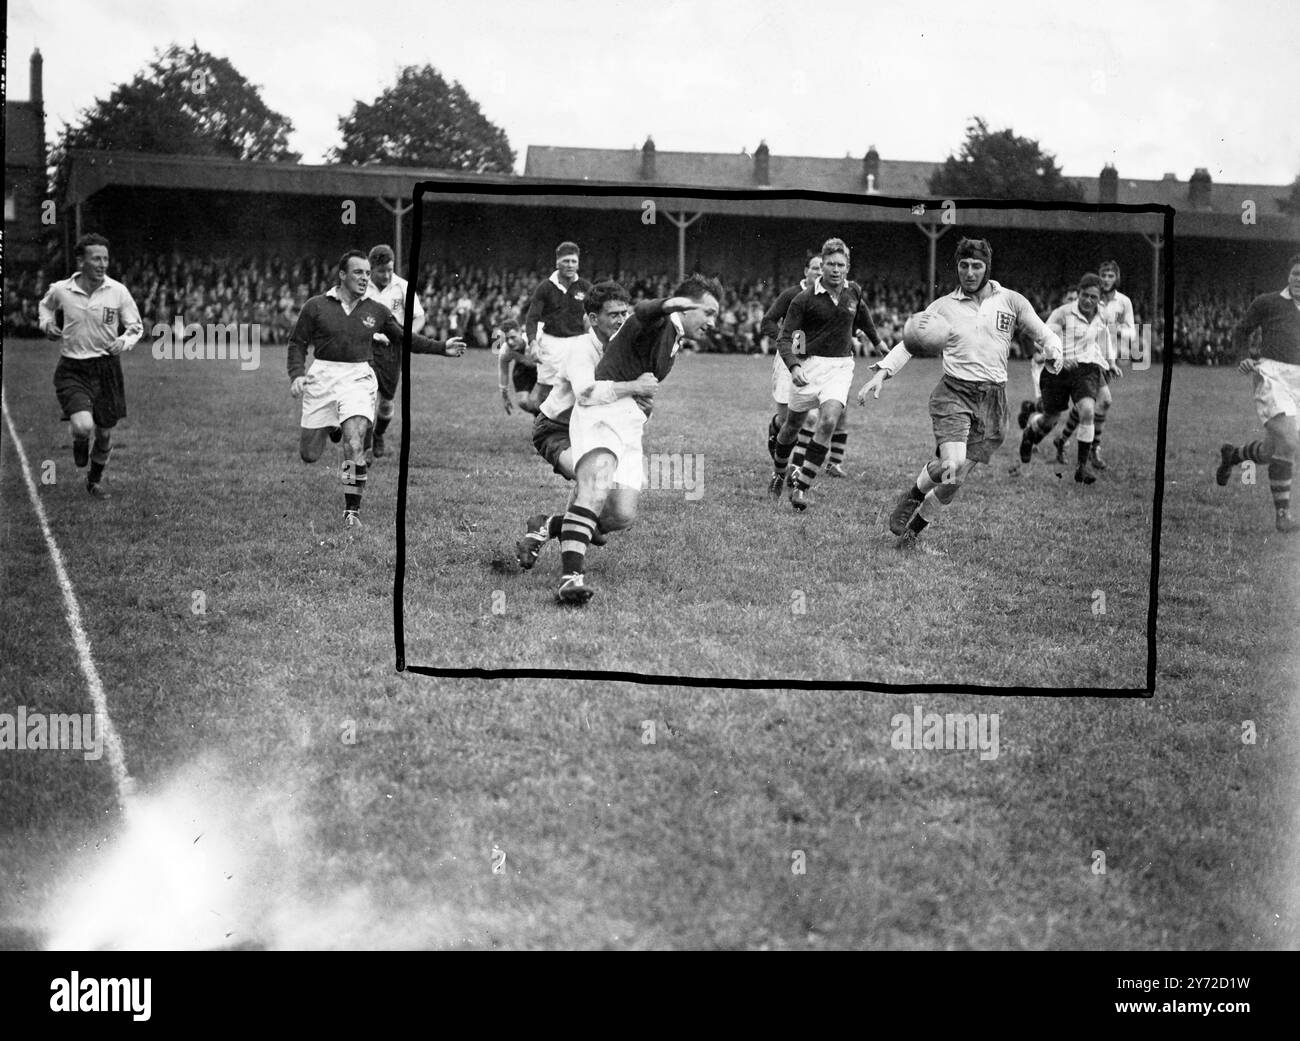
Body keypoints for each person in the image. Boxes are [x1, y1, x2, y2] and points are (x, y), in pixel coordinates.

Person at [858, 237, 1063, 547]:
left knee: (956, 480)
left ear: (987, 268)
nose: (969, 272)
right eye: (964, 266)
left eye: (976, 266)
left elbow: (1045, 333)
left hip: (993, 399)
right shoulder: (943, 307)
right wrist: (883, 373)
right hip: (954, 393)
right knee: (952, 465)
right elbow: (911, 341)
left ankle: (911, 536)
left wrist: (1054, 351)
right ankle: (913, 495)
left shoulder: (1012, 301)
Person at [553, 275, 722, 604]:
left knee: (622, 515)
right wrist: (667, 304)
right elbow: (641, 312)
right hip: (601, 415)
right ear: (684, 306)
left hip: (629, 425)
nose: (713, 323)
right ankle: (570, 579)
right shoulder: (659, 322)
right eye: (709, 312)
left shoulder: (675, 336)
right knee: (596, 488)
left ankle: (547, 526)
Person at [288, 250, 465, 528]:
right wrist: (297, 375)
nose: (365, 278)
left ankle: (352, 512)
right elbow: (297, 343)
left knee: (355, 443)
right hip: (322, 376)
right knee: (309, 455)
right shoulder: (316, 306)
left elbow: (405, 339)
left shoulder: (376, 310)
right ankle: (332, 424)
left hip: (358, 377)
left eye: (367, 273)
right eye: (358, 272)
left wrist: (442, 348)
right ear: (342, 275)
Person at [516, 281, 633, 569]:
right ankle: (571, 573)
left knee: (616, 517)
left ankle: (547, 525)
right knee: (595, 481)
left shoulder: (624, 349)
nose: (621, 320)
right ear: (593, 319)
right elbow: (587, 394)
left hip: (593, 433)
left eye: (624, 313)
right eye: (613, 314)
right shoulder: (580, 349)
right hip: (557, 430)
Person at [772, 238, 882, 510]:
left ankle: (801, 487)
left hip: (841, 367)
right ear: (822, 266)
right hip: (809, 368)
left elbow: (863, 316)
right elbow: (786, 339)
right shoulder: (803, 299)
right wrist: (795, 366)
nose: (835, 269)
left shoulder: (853, 292)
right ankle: (779, 472)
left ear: (848, 266)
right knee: (792, 427)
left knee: (828, 421)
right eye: (830, 264)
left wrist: (877, 342)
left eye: (840, 264)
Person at [38, 233, 144, 499]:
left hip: (107, 368)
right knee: (84, 426)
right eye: (96, 258)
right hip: (73, 368)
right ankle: (80, 439)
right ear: (81, 261)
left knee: (105, 434)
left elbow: (136, 327)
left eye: (105, 258)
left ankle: (94, 481)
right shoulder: (62, 289)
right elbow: (45, 306)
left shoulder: (117, 291)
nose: (102, 264)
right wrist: (46, 324)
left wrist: (123, 341)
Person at [1214, 253, 1300, 533]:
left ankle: (1233, 455)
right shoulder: (1268, 302)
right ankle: (1283, 516)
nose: (1299, 280)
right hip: (1272, 376)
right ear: (1289, 275)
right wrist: (1244, 358)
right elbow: (1241, 331)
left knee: (1270, 449)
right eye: (1296, 274)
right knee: (1288, 439)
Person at [1017, 273, 1120, 483]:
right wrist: (1061, 357)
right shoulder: (1062, 314)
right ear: (1078, 294)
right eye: (1084, 295)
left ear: (1099, 298)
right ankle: (1029, 436)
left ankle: (1081, 468)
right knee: (1051, 418)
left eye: (1093, 297)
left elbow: (1106, 337)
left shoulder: (1102, 316)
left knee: (1088, 410)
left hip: (1085, 370)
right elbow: (1042, 338)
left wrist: (1112, 362)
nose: (1088, 301)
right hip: (1057, 369)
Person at [1047, 260, 1136, 468]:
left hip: (1105, 356)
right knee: (1094, 402)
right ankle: (1091, 450)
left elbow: (1132, 330)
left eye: (1110, 276)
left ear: (1117, 278)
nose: (1106, 280)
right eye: (1103, 275)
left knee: (1094, 404)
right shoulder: (1087, 298)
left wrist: (1114, 330)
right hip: (1087, 356)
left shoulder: (1123, 302)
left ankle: (1069, 441)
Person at [363, 244, 426, 461]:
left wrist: (406, 336)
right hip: (366, 347)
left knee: (387, 403)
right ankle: (365, 446)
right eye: (382, 271)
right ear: (371, 269)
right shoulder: (362, 286)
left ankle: (379, 433)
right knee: (367, 396)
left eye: (390, 270)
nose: (387, 275)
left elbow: (419, 317)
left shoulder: (403, 287)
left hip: (392, 349)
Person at [525, 241, 592, 405]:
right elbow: (532, 317)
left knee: (579, 388)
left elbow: (595, 315)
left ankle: (571, 428)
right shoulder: (545, 287)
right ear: (557, 263)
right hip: (551, 343)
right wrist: (533, 342)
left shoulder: (585, 287)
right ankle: (543, 426)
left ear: (578, 263)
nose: (570, 265)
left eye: (573, 261)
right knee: (546, 390)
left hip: (577, 343)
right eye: (566, 261)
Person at [496, 319, 540, 416]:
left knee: (548, 398)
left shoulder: (536, 339)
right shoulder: (505, 351)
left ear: (520, 332)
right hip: (523, 368)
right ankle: (541, 414)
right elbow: (503, 372)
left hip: (544, 366)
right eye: (507, 339)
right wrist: (505, 396)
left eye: (513, 337)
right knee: (523, 402)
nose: (510, 342)